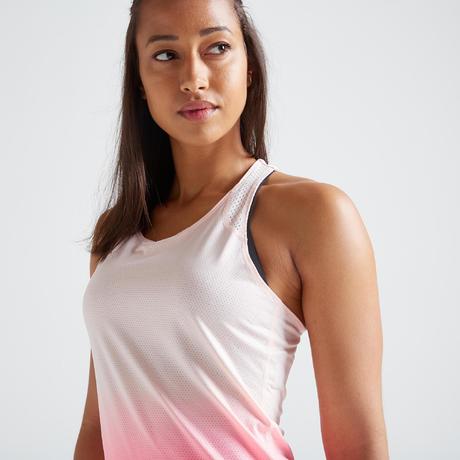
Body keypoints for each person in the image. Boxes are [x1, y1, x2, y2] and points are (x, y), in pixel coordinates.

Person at [74, 0, 389, 459]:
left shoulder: (314, 215)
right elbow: (96, 428)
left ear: (250, 67)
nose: (193, 78)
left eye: (217, 47)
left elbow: (358, 443)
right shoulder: (117, 233)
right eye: (166, 54)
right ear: (139, 81)